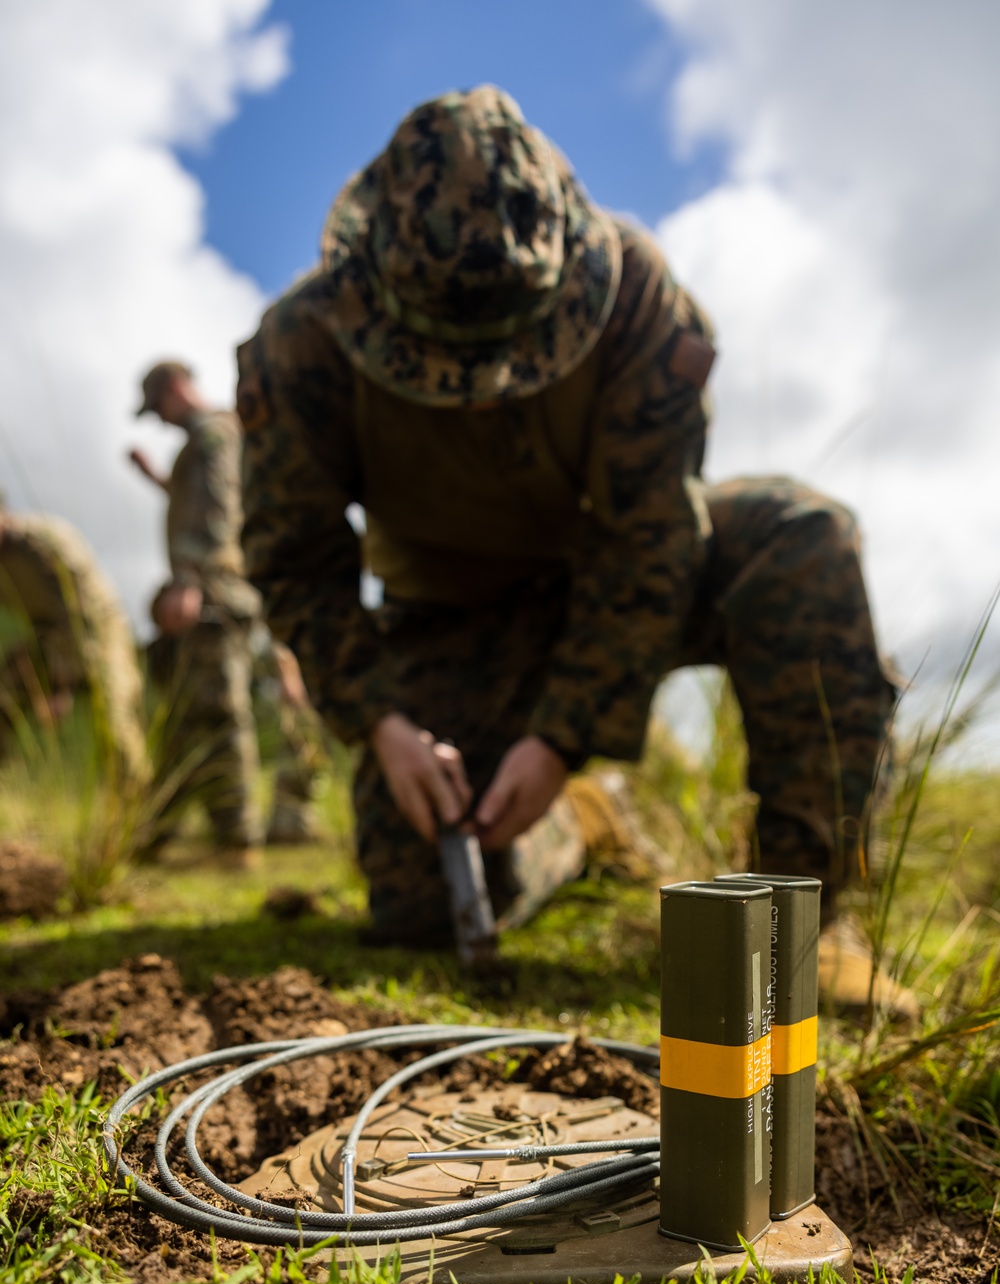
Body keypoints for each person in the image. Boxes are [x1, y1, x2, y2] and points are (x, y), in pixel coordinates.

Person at [236, 85, 894, 943]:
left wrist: (558, 736)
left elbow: (649, 537)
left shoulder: (638, 297)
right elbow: (297, 561)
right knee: (425, 901)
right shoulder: (299, 346)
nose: (478, 397)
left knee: (803, 537)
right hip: (451, 618)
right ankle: (584, 821)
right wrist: (383, 722)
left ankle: (807, 925)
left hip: (617, 584)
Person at [129, 363, 319, 856]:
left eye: (159, 409)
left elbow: (215, 504)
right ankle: (162, 834)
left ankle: (238, 842)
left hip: (211, 593)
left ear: (173, 389)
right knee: (192, 716)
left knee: (218, 715)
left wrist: (189, 577)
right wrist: (161, 481)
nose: (163, 422)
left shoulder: (211, 434)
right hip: (215, 589)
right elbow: (216, 503)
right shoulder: (215, 436)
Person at [0, 493, 147, 785]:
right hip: (49, 638)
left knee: (117, 723)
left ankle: (145, 812)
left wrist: (59, 684)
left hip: (101, 633)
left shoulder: (43, 542)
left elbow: (77, 615)